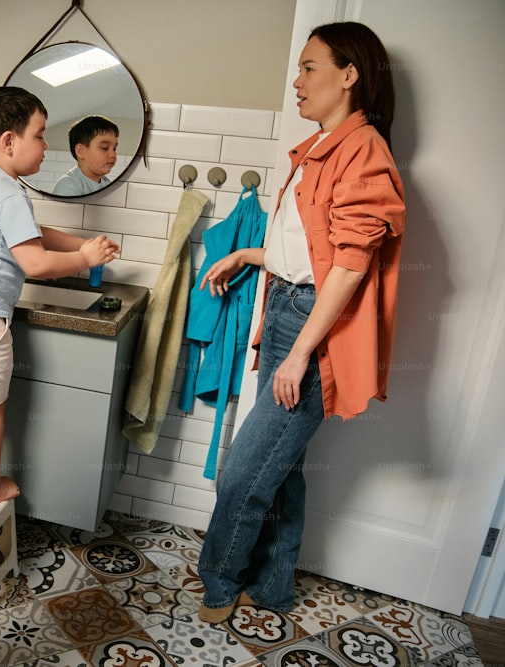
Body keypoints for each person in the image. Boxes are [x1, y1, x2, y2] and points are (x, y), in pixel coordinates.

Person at [195, 22, 406, 623]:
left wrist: (299, 353)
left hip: (314, 327)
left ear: (349, 74)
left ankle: (219, 580)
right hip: (288, 306)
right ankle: (274, 586)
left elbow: (347, 267)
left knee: (244, 470)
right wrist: (246, 254)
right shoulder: (320, 146)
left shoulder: (362, 150)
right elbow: (308, 251)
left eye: (310, 67)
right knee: (278, 467)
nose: (297, 80)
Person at [0, 86, 120, 504]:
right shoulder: (8, 190)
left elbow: (29, 234)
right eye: (39, 135)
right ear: (8, 141)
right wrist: (85, 258)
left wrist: (80, 243)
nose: (45, 144)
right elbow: (34, 263)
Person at [52, 115, 120, 196]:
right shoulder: (68, 185)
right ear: (81, 151)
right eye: (104, 148)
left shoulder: (107, 184)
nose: (112, 154)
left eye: (114, 149)